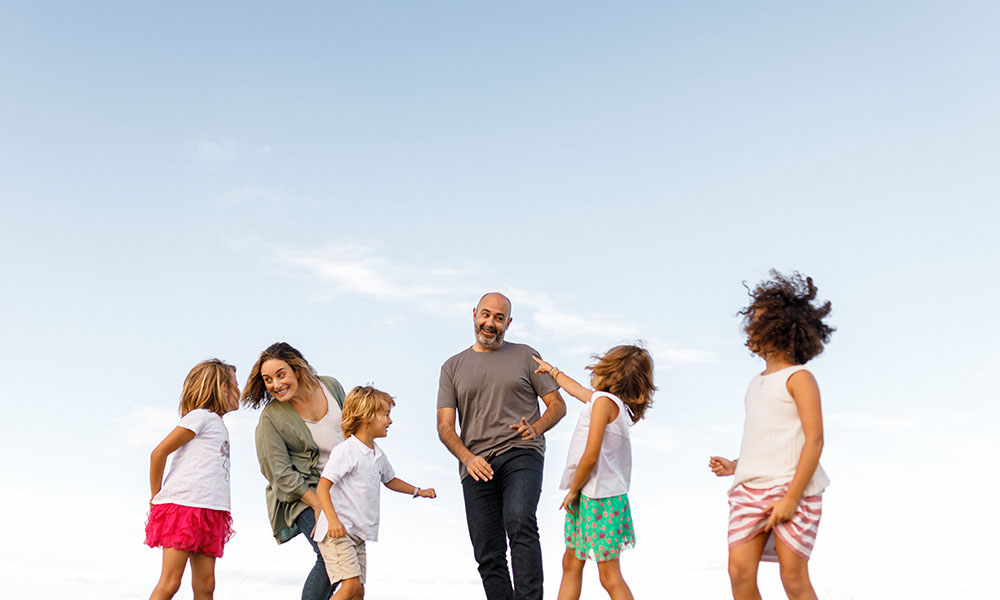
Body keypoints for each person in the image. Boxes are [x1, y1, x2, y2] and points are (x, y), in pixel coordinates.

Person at [709, 270, 834, 600]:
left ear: (779, 329)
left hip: (793, 487)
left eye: (758, 321)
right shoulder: (756, 383)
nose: (750, 327)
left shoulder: (799, 378)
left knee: (792, 577)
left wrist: (791, 497)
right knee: (738, 571)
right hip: (749, 489)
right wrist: (735, 465)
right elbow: (767, 438)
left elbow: (814, 439)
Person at [437, 292, 567, 600]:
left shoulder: (525, 355)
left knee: (520, 518)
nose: (490, 323)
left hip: (521, 452)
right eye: (486, 315)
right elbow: (444, 427)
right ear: (474, 315)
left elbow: (557, 405)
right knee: (488, 551)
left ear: (508, 323)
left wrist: (535, 428)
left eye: (498, 318)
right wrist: (468, 459)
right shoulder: (452, 366)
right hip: (475, 466)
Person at [532, 345, 655, 600]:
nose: (593, 372)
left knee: (609, 576)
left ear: (610, 374)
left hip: (600, 499)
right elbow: (577, 391)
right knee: (571, 562)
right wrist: (552, 371)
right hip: (592, 497)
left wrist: (573, 490)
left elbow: (590, 455)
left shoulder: (604, 403)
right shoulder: (608, 403)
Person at [241, 342, 348, 600]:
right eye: (268, 379)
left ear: (297, 368)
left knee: (349, 565)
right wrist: (318, 504)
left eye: (281, 375)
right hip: (302, 495)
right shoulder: (272, 418)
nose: (275, 385)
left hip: (341, 491)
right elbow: (279, 474)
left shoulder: (330, 386)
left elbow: (352, 431)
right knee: (329, 555)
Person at [313, 386, 437, 599]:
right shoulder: (347, 450)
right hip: (339, 531)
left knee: (359, 591)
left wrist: (419, 491)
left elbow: (390, 480)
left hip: (358, 534)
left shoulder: (377, 455)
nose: (390, 421)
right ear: (366, 417)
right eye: (386, 415)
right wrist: (333, 521)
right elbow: (323, 486)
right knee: (350, 586)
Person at [145, 359, 240, 600]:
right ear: (222, 388)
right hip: (185, 507)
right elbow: (158, 453)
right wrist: (155, 495)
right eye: (235, 385)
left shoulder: (217, 424)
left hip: (211, 511)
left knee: (206, 585)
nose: (240, 391)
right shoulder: (201, 417)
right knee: (171, 581)